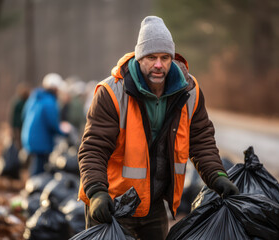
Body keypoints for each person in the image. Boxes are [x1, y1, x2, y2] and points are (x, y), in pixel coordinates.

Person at [77, 16, 239, 239]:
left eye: (165, 57)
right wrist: (95, 191)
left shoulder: (189, 91)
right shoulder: (112, 92)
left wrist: (218, 176)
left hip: (153, 204)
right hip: (111, 202)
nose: (158, 65)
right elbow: (93, 148)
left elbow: (201, 139)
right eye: (151, 57)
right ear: (139, 57)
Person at [21, 73, 67, 176]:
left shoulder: (34, 97)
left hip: (29, 137)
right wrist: (64, 132)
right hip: (40, 141)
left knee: (35, 165)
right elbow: (52, 124)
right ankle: (33, 188)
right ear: (54, 88)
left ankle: (31, 185)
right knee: (39, 169)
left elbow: (23, 115)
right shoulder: (50, 102)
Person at [10, 83, 30, 149]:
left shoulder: (27, 102)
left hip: (21, 125)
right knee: (19, 141)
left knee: (21, 141)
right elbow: (14, 116)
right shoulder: (19, 103)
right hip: (19, 126)